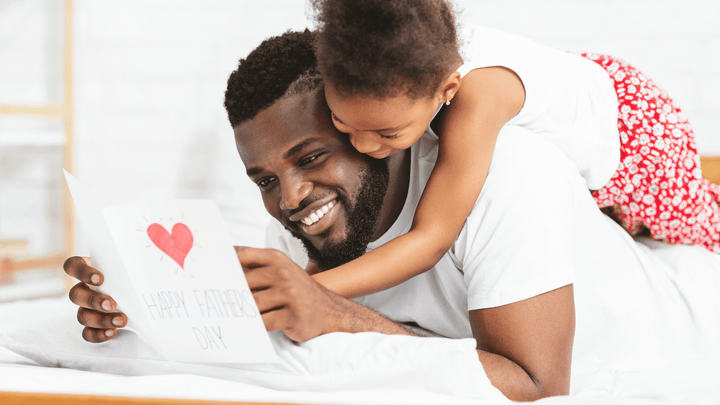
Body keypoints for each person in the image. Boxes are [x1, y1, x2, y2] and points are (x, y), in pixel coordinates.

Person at [64, 29, 719, 401]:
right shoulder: (294, 231)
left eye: (312, 155)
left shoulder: (509, 171)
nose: (289, 199)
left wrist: (337, 315)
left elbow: (538, 382)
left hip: (699, 302)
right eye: (265, 179)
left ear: (372, 127)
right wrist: (141, 312)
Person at [304, 0, 720, 300]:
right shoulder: (383, 65)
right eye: (343, 124)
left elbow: (431, 238)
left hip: (639, 131)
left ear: (447, 90)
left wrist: (312, 289)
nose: (360, 145)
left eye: (387, 134)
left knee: (693, 227)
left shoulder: (478, 94)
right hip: (580, 78)